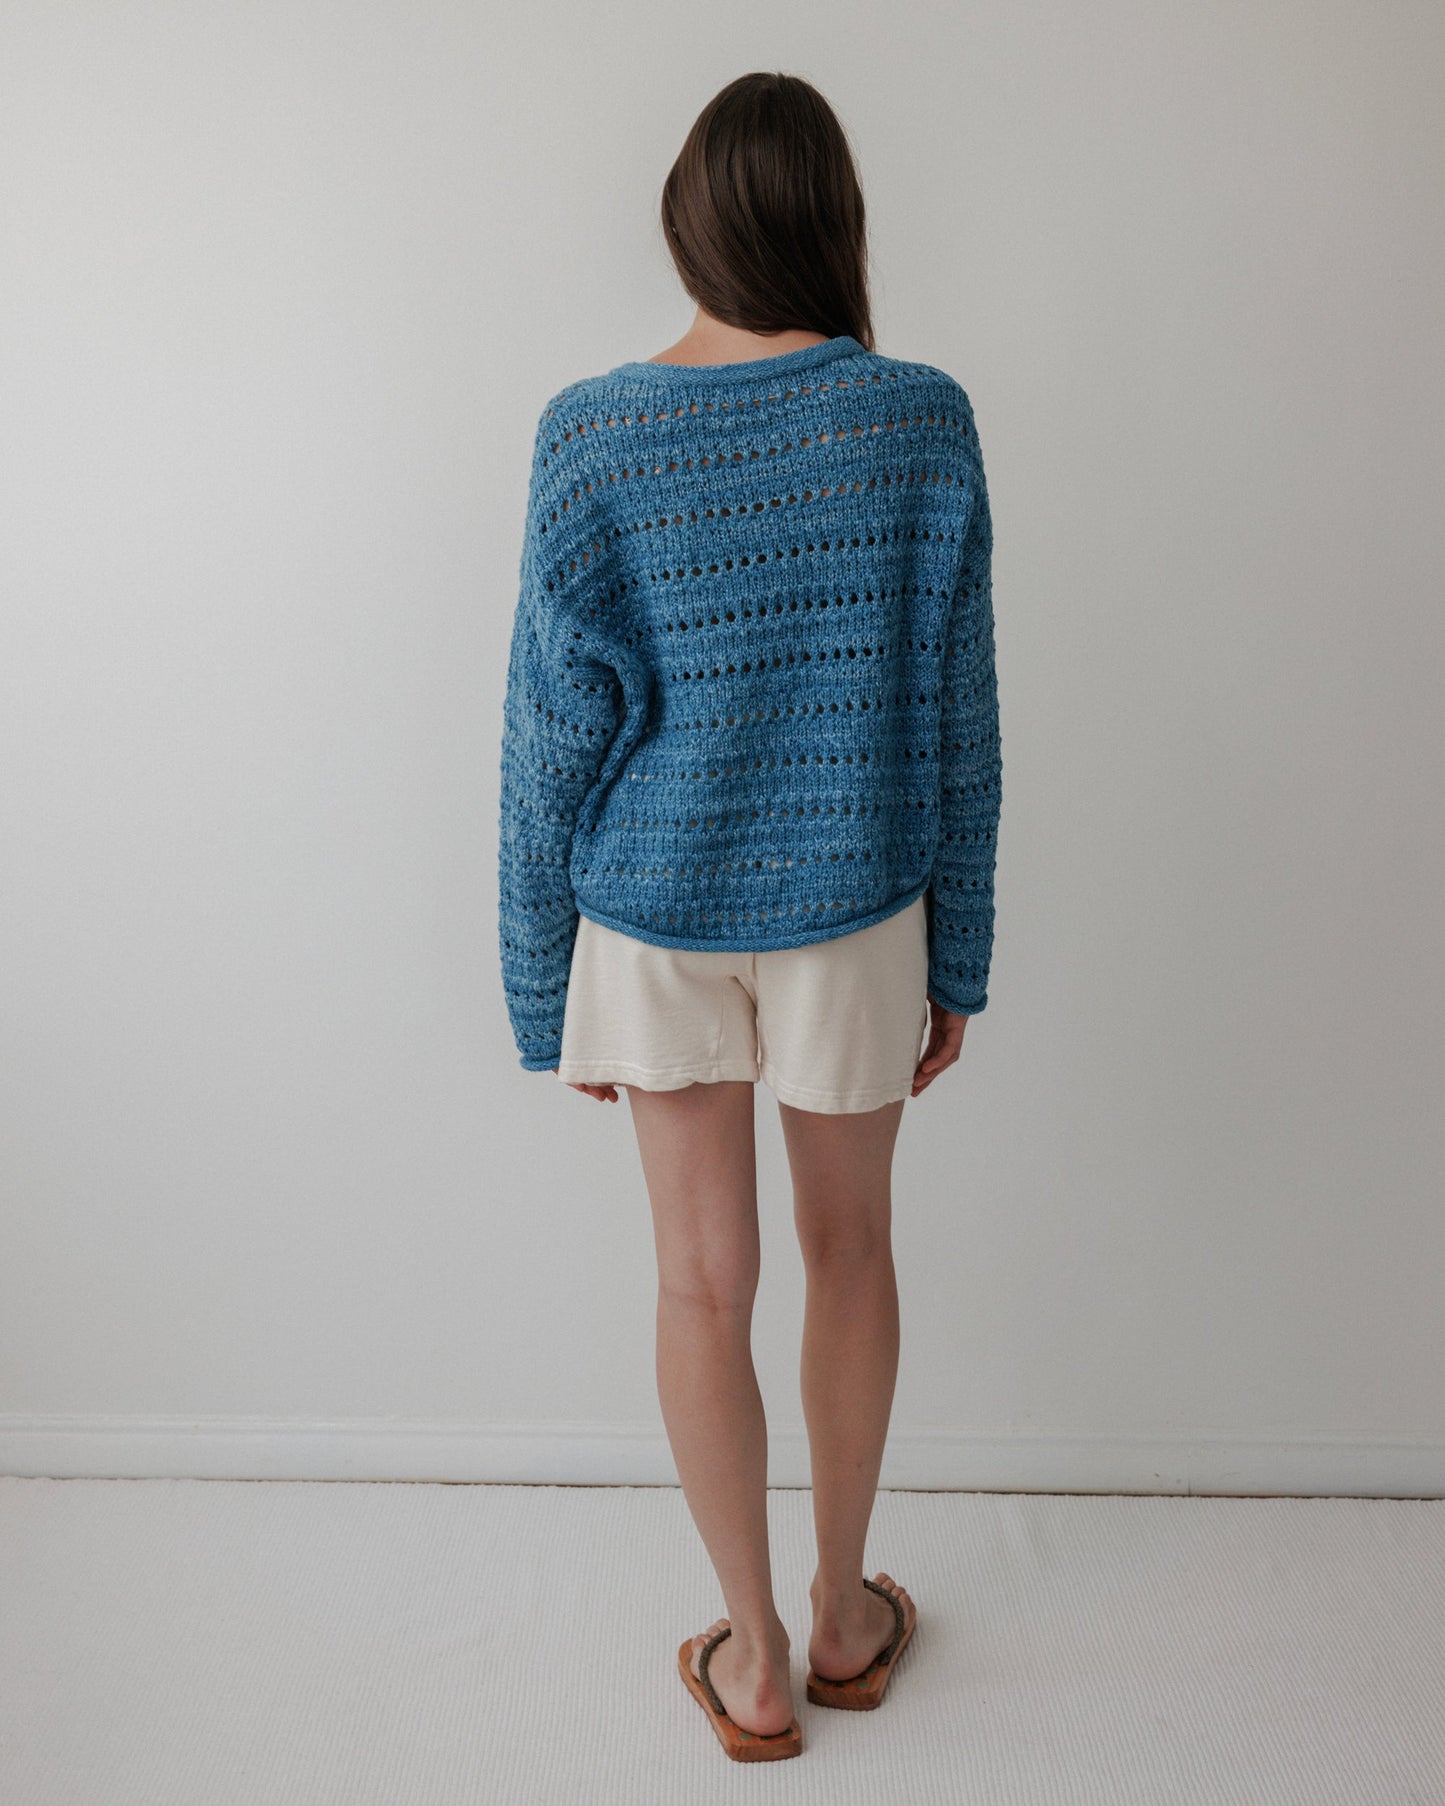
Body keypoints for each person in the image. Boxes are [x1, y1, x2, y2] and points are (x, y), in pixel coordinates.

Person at [497, 70, 1001, 1760]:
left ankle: (758, 1656)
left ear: (688, 221)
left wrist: (533, 981)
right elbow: (957, 720)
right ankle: (847, 1607)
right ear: (831, 223)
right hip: (855, 907)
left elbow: (547, 736)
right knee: (849, 1248)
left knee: (700, 1283)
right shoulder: (916, 417)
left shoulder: (592, 431)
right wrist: (962, 951)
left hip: (648, 914)